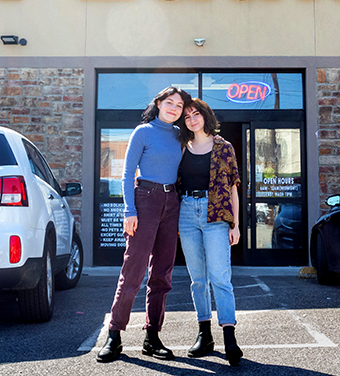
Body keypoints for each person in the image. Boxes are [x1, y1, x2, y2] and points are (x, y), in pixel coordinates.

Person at [97, 86, 191, 363]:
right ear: (159, 103)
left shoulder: (180, 136)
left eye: (179, 105)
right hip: (145, 200)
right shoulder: (143, 132)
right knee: (133, 270)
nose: (174, 108)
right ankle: (114, 335)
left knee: (162, 273)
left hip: (171, 202)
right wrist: (130, 210)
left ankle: (152, 336)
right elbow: (127, 173)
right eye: (170, 102)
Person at [177, 98, 243, 366]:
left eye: (196, 114)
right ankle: (204, 335)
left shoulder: (223, 147)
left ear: (205, 116)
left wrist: (235, 224)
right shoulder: (181, 147)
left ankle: (229, 337)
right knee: (197, 279)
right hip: (186, 212)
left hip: (215, 213)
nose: (192, 120)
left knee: (220, 276)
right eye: (187, 116)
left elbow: (233, 188)